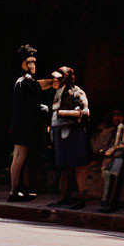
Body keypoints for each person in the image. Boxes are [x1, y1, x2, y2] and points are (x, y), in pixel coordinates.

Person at [8, 44, 54, 201]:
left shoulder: (25, 81)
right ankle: (14, 191)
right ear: (22, 63)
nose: (32, 65)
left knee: (22, 157)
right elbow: (35, 92)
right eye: (29, 62)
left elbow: (38, 85)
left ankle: (20, 189)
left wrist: (53, 81)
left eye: (33, 61)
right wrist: (43, 108)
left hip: (24, 126)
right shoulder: (23, 81)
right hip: (23, 126)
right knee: (19, 156)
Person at [48, 66, 90, 209]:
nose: (55, 80)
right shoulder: (57, 92)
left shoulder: (77, 92)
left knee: (78, 165)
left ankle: (81, 196)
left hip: (73, 132)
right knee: (63, 166)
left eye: (58, 78)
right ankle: (65, 196)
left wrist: (64, 113)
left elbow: (85, 112)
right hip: (59, 133)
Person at [98, 110, 124, 213]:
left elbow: (123, 145)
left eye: (118, 115)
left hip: (119, 156)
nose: (116, 118)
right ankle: (106, 201)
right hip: (111, 156)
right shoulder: (112, 130)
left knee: (113, 176)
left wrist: (111, 151)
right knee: (106, 174)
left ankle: (112, 202)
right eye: (115, 116)